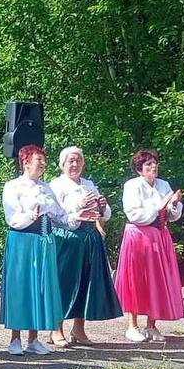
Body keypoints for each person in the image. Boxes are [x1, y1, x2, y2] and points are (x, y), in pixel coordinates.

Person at [0, 145, 70, 356]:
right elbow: (13, 218)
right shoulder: (13, 186)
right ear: (26, 162)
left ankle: (33, 339)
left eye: (43, 160)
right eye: (38, 159)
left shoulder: (46, 188)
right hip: (23, 242)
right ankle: (15, 339)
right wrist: (32, 214)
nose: (42, 163)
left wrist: (78, 215)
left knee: (40, 288)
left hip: (44, 243)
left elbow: (60, 215)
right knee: (20, 287)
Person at [48, 146, 122, 346]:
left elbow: (103, 214)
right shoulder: (56, 185)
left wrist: (102, 206)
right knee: (64, 283)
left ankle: (78, 329)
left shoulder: (88, 184)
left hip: (90, 238)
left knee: (86, 283)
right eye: (71, 161)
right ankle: (56, 329)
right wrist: (79, 205)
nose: (75, 164)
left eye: (78, 160)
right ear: (62, 164)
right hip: (67, 239)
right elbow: (55, 215)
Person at [114, 149, 184, 343]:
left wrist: (174, 204)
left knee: (157, 279)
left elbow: (171, 216)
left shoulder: (163, 185)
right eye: (148, 165)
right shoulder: (132, 186)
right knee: (136, 279)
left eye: (155, 164)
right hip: (138, 235)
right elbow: (133, 214)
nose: (153, 167)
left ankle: (151, 325)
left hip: (159, 235)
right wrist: (158, 206)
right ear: (140, 169)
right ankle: (132, 326)